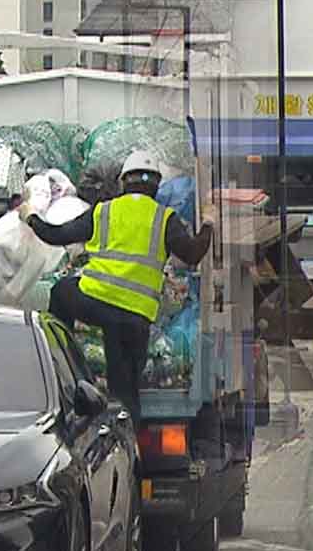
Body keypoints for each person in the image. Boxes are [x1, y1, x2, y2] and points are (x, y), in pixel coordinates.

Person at [25, 151, 215, 417]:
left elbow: (56, 235)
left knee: (59, 292)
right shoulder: (165, 218)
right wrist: (208, 223)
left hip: (94, 301)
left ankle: (60, 362)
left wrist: (31, 217)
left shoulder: (104, 211)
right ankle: (130, 445)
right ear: (156, 186)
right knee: (126, 391)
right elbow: (193, 254)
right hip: (135, 318)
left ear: (123, 182)